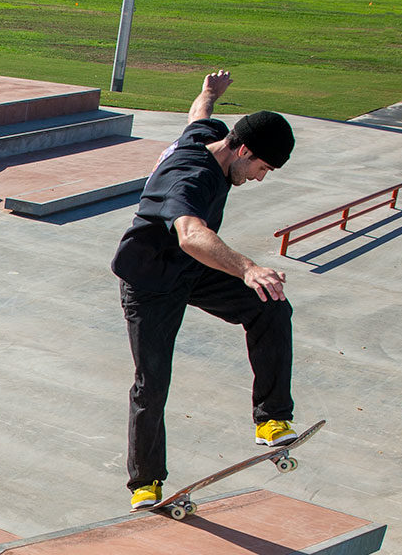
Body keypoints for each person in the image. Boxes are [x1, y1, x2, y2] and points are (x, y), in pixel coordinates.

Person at [112, 70, 300, 510]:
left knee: (270, 306)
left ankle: (271, 418)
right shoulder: (189, 176)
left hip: (191, 271)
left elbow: (200, 113)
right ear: (245, 150)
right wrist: (247, 267)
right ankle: (146, 481)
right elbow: (191, 234)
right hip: (151, 281)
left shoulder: (211, 137)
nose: (259, 178)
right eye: (261, 167)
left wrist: (209, 91)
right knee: (152, 382)